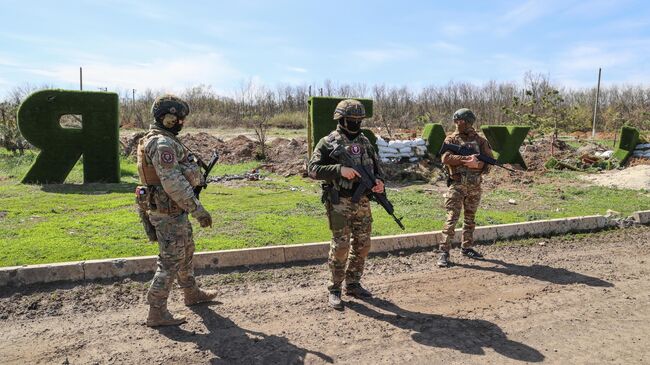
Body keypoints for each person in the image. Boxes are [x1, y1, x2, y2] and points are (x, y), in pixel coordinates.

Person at [136, 94, 217, 327]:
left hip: (171, 209)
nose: (182, 122)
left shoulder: (162, 139)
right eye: (179, 118)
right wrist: (198, 209)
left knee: (186, 249)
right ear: (167, 118)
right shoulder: (162, 144)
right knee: (170, 260)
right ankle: (156, 311)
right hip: (168, 210)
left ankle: (191, 293)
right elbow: (173, 182)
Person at [307, 99, 385, 309]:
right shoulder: (328, 142)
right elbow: (312, 170)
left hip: (363, 201)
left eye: (359, 120)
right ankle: (334, 288)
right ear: (341, 119)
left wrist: (379, 183)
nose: (356, 123)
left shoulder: (366, 142)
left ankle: (353, 283)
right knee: (341, 246)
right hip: (339, 201)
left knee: (363, 245)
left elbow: (377, 168)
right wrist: (339, 170)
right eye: (352, 120)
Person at [437, 108, 494, 268]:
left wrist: (479, 164)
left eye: (461, 121)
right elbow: (445, 158)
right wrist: (464, 159)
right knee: (451, 218)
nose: (458, 124)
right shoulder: (451, 139)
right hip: (457, 186)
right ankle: (444, 252)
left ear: (469, 122)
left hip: (475, 186)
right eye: (456, 121)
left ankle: (467, 247)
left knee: (470, 219)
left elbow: (490, 162)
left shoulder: (480, 141)